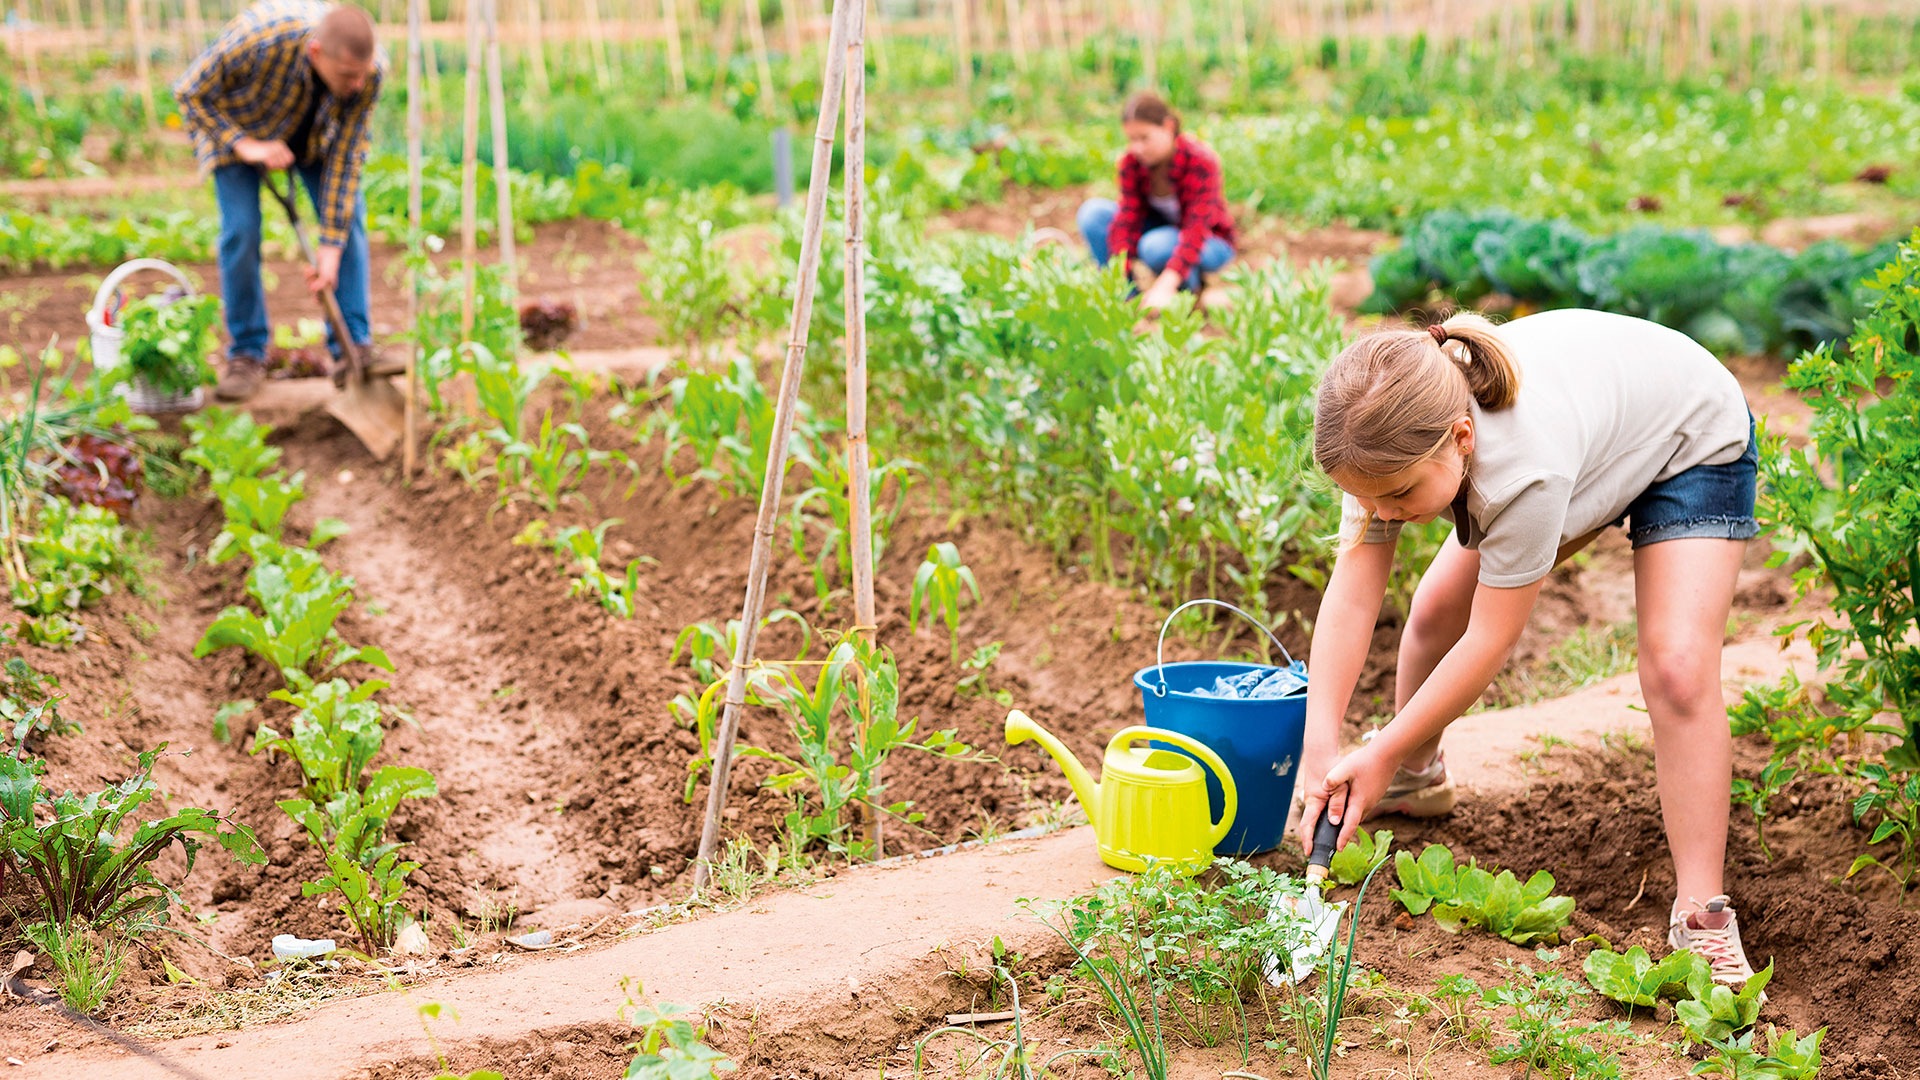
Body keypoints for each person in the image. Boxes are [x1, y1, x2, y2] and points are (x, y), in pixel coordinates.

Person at [1298, 308, 1760, 984]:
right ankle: (1416, 778)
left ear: (1461, 439)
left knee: (1678, 668)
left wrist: (1381, 744)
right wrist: (1321, 749)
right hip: (1595, 434)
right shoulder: (1372, 445)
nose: (1386, 513)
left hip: (1687, 438)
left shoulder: (1522, 469)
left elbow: (1491, 641)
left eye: (1398, 496)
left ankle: (1702, 915)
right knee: (1433, 609)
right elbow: (1353, 593)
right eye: (1370, 501)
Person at [174, 0, 389, 402]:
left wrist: (330, 247)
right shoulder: (258, 40)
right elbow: (189, 93)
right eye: (347, 75)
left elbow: (346, 158)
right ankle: (246, 354)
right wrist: (245, 145)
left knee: (348, 222)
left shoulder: (368, 73)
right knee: (241, 230)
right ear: (315, 53)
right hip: (238, 132)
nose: (357, 85)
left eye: (361, 75)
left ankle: (352, 347)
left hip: (311, 140)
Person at [1075, 92, 1236, 310]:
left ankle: (1189, 293)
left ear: (1168, 127)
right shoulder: (1132, 163)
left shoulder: (1200, 161)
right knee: (1093, 214)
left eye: (1144, 138)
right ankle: (1124, 299)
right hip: (1160, 233)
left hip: (1210, 242)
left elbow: (1196, 229)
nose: (1137, 147)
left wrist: (1164, 285)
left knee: (1156, 246)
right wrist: (1121, 273)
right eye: (1132, 139)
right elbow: (1126, 221)